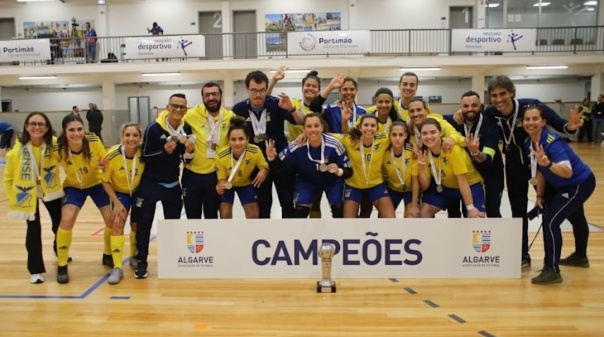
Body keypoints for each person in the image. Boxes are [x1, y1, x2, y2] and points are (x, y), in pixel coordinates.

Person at [482, 75, 583, 268]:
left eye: (503, 93)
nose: (499, 99)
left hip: (544, 162)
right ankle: (523, 255)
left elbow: (560, 123)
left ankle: (579, 254)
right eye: (494, 95)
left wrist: (570, 127)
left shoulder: (531, 107)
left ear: (512, 93)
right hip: (514, 165)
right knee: (518, 210)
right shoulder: (491, 113)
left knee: (570, 211)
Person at [522, 105, 595, 285]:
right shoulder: (528, 144)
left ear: (544, 122)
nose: (530, 123)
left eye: (535, 119)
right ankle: (580, 257)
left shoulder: (552, 143)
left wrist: (547, 164)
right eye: (527, 119)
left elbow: (567, 171)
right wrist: (539, 195)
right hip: (565, 186)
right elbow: (539, 170)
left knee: (551, 221)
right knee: (576, 218)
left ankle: (552, 270)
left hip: (578, 183)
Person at [133, 93, 195, 279]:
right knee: (144, 225)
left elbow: (186, 158)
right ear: (167, 107)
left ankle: (170, 260)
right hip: (150, 184)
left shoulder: (186, 128)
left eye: (182, 107)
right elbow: (145, 156)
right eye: (174, 106)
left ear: (186, 110)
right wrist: (163, 152)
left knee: (172, 226)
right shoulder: (154, 128)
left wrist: (190, 152)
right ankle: (142, 260)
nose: (178, 109)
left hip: (173, 185)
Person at [231, 70, 304, 219]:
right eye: (254, 91)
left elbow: (302, 122)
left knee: (287, 202)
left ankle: (288, 237)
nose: (258, 95)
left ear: (266, 89)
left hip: (281, 162)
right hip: (257, 166)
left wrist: (292, 108)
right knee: (264, 205)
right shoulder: (238, 110)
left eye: (262, 90)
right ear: (247, 89)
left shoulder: (277, 104)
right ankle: (265, 239)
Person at [4, 112, 63, 284]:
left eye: (41, 124)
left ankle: (59, 249)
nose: (37, 127)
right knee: (33, 229)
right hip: (26, 193)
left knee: (59, 223)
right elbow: (8, 178)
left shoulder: (54, 145)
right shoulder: (16, 152)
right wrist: (13, 197)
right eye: (33, 124)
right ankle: (35, 270)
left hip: (50, 190)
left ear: (46, 128)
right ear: (26, 127)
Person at [54, 114, 113, 284]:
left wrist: (104, 167)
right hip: (73, 187)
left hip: (96, 185)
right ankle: (62, 264)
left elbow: (106, 162)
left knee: (111, 219)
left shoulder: (93, 140)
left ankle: (108, 254)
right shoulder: (59, 148)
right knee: (67, 219)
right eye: (71, 130)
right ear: (65, 132)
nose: (76, 133)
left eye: (79, 129)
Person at [267, 113, 352, 218]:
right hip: (307, 181)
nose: (313, 130)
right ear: (304, 129)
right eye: (309, 126)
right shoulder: (297, 145)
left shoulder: (334, 144)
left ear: (322, 127)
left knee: (338, 210)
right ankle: (302, 234)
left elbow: (349, 170)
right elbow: (280, 166)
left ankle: (338, 234)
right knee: (299, 213)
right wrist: (272, 158)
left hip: (332, 181)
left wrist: (338, 170)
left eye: (316, 126)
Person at [444, 91, 504, 218]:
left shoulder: (490, 125)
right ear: (460, 108)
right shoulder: (453, 121)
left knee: (492, 211)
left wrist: (475, 152)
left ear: (481, 107)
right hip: (465, 176)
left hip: (490, 175)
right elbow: (431, 120)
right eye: (465, 106)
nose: (470, 109)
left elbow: (487, 159)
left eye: (474, 105)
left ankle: (493, 238)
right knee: (456, 213)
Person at [182, 82, 235, 219]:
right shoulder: (192, 114)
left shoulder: (230, 117)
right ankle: (197, 242)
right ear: (203, 98)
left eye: (214, 94)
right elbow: (171, 118)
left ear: (221, 96)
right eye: (207, 95)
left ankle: (210, 242)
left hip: (214, 177)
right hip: (192, 176)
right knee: (192, 219)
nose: (211, 98)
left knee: (211, 218)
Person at [101, 122, 145, 285]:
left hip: (138, 192)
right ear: (122, 137)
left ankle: (133, 256)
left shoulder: (142, 154)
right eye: (127, 135)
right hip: (120, 193)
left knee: (136, 225)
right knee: (118, 223)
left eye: (135, 135)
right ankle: (117, 266)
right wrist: (117, 203)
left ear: (140, 138)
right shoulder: (111, 155)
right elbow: (105, 181)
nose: (131, 139)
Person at [416, 119, 485, 219]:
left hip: (470, 186)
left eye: (433, 132)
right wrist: (421, 169)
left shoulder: (452, 149)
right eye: (424, 133)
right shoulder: (424, 153)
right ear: (420, 136)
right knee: (423, 213)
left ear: (441, 133)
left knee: (476, 218)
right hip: (446, 188)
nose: (429, 137)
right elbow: (425, 186)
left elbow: (462, 179)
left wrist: (470, 208)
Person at [334, 114, 395, 218]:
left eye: (372, 125)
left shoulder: (383, 140)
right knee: (348, 223)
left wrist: (414, 145)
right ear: (360, 127)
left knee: (390, 218)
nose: (369, 128)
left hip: (376, 186)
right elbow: (325, 135)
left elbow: (402, 134)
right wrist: (304, 135)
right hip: (353, 186)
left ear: (377, 128)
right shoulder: (350, 140)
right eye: (366, 125)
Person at [215, 116, 269, 219]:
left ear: (247, 140)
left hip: (246, 184)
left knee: (253, 214)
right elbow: (221, 179)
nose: (237, 143)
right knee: (225, 213)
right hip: (228, 185)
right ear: (229, 141)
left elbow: (264, 166)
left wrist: (263, 171)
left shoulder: (255, 151)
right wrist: (220, 187)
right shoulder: (221, 156)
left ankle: (251, 234)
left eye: (241, 139)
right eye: (233, 139)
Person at [382, 120, 418, 217]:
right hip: (392, 189)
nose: (397, 138)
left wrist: (414, 205)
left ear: (406, 136)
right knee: (384, 218)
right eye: (394, 135)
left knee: (411, 217)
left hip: (410, 190)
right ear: (389, 135)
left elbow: (415, 180)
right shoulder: (384, 153)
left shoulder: (413, 152)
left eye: (401, 135)